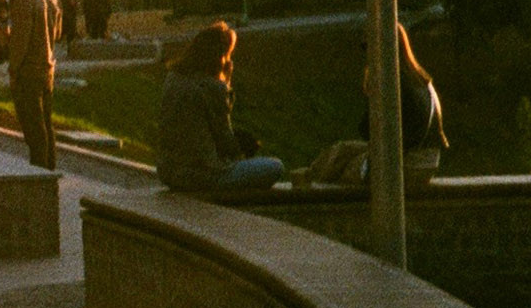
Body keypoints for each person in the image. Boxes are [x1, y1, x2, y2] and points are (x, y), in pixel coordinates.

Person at [304, 25, 449, 186]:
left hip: (409, 164)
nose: (367, 54)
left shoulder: (391, 80)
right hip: (425, 160)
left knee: (346, 169)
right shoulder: (420, 79)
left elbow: (367, 129)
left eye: (368, 47)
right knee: (342, 150)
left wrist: (371, 91)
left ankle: (308, 183)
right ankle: (309, 175)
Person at [156, 22, 284, 192]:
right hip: (204, 176)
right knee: (275, 166)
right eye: (229, 54)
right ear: (220, 57)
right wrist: (226, 83)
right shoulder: (212, 88)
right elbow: (227, 146)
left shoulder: (174, 79)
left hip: (169, 172)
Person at [7, 0, 64, 170]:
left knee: (34, 128)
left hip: (29, 71)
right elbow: (57, 34)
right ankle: (50, 170)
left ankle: (39, 174)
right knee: (47, 126)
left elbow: (21, 41)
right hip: (48, 69)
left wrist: (13, 69)